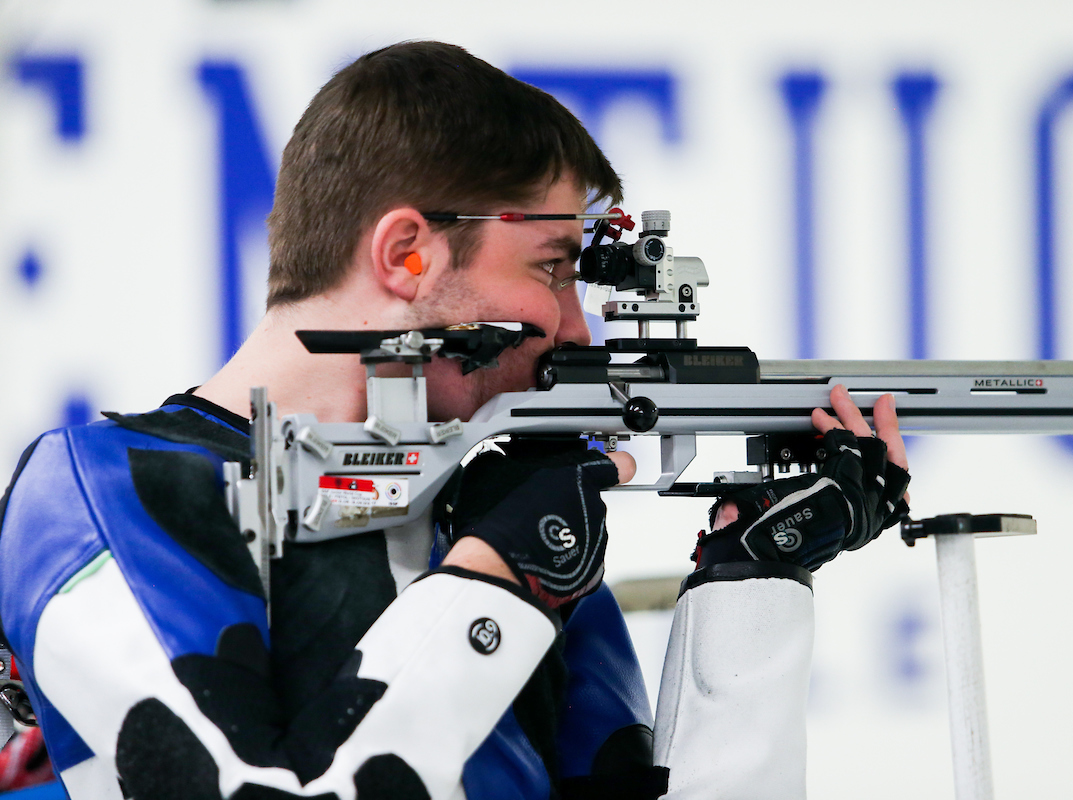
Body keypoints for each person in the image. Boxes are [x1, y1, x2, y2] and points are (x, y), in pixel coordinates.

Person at [0, 41, 909, 800]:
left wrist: (751, 583)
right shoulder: (102, 491)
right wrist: (494, 586)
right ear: (407, 252)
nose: (574, 327)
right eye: (553, 267)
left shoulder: (487, 522)